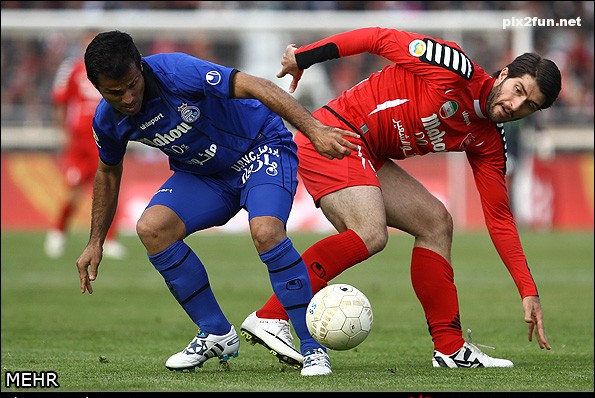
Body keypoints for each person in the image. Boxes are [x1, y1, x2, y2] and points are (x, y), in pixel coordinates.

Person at [240, 26, 561, 369]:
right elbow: (377, 38)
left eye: (529, 106)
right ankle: (271, 315)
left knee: (436, 223)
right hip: (334, 133)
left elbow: (499, 218)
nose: (515, 105)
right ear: (505, 73)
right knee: (370, 233)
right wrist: (304, 57)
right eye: (518, 91)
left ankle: (450, 349)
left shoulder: (489, 140)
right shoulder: (452, 65)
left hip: (369, 152)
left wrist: (528, 290)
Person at [75, 30, 359, 376]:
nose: (128, 98)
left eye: (132, 85)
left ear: (140, 66)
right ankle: (215, 332)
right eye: (115, 93)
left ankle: (312, 349)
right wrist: (95, 241)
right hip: (206, 174)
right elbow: (107, 172)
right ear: (98, 88)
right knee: (152, 229)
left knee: (266, 231)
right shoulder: (108, 120)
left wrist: (314, 130)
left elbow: (258, 86)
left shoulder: (177, 72)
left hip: (260, 147)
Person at [45, 32, 126, 260]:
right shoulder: (71, 69)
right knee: (73, 190)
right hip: (79, 140)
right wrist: (63, 132)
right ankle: (58, 232)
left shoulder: (112, 70)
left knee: (110, 186)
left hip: (104, 138)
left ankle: (110, 240)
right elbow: (60, 101)